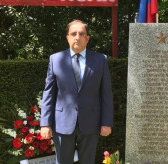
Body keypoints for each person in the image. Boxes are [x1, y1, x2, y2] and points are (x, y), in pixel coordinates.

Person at [40, 20, 113, 164]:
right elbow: (49, 93)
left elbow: (106, 93)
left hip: (90, 122)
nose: (77, 37)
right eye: (73, 34)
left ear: (87, 38)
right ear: (67, 37)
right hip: (62, 123)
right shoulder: (55, 60)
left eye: (81, 34)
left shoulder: (100, 60)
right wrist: (45, 124)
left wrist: (106, 122)